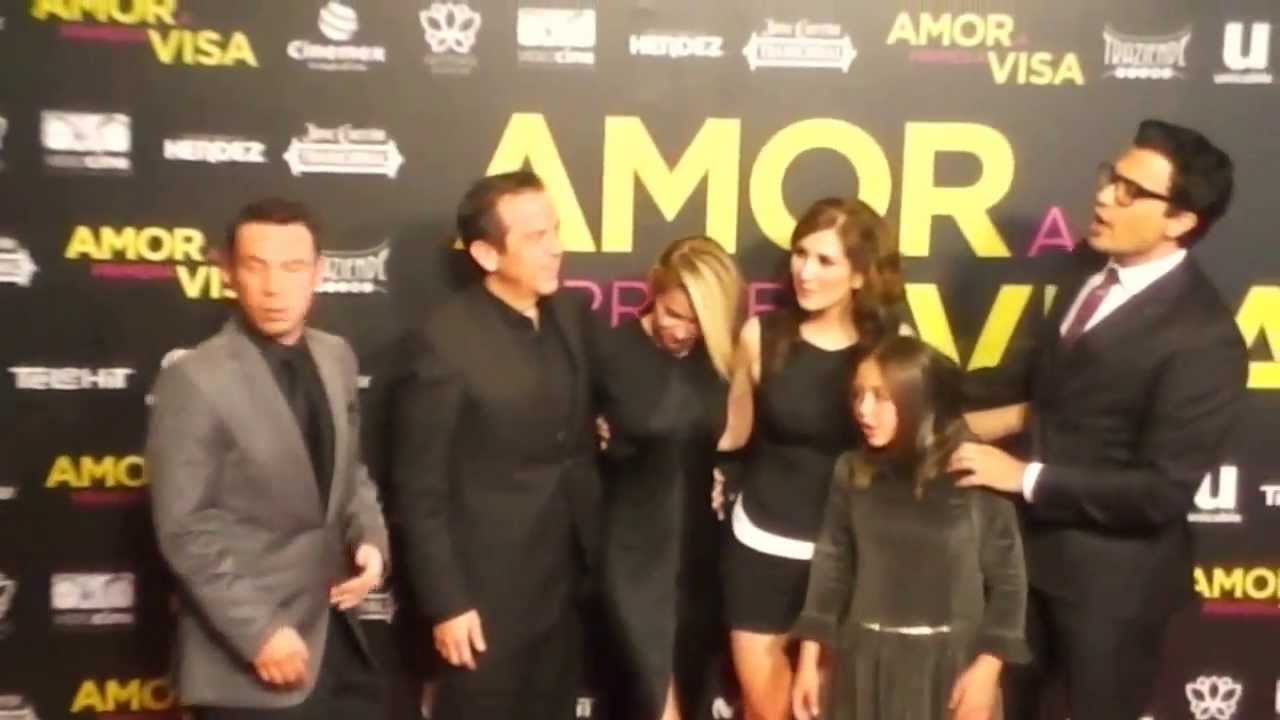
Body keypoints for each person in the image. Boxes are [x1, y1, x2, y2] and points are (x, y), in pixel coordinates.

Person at [953, 120, 1248, 720]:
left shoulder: (1205, 338)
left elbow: (1160, 491)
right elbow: (1063, 392)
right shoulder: (1084, 266)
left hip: (1111, 594)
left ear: (1180, 220)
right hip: (1020, 566)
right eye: (1111, 177)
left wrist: (1025, 477)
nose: (1106, 196)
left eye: (1131, 191)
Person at [147, 197, 390, 720]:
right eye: (256, 267)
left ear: (318, 273)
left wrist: (370, 539)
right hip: (249, 661)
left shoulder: (336, 356)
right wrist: (258, 632)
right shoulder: (194, 379)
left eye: (292, 266)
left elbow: (350, 471)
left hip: (339, 643)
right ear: (229, 273)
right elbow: (185, 527)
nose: (274, 286)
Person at [389, 171, 601, 720]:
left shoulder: (571, 313)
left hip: (567, 587)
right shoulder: (444, 341)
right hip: (485, 598)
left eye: (555, 230)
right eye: (535, 236)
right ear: (486, 254)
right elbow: (418, 490)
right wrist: (447, 603)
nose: (556, 247)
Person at [722, 197, 905, 720]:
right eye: (800, 254)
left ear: (860, 274)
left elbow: (917, 447)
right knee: (766, 710)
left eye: (825, 260)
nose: (804, 271)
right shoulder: (762, 336)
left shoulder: (891, 349)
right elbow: (730, 433)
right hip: (760, 547)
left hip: (849, 558)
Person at [791, 336, 1028, 720]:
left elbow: (1010, 583)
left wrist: (987, 670)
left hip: (953, 673)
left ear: (919, 398)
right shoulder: (852, 470)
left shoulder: (974, 469)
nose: (863, 410)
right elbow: (832, 565)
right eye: (858, 394)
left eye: (880, 396)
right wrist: (809, 659)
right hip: (863, 668)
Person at [593, 236, 750, 720]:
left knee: (690, 694)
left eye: (696, 321)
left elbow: (738, 436)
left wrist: (724, 476)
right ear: (653, 290)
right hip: (628, 556)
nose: (681, 331)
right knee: (654, 702)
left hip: (697, 559)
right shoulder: (610, 350)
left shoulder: (722, 359)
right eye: (671, 313)